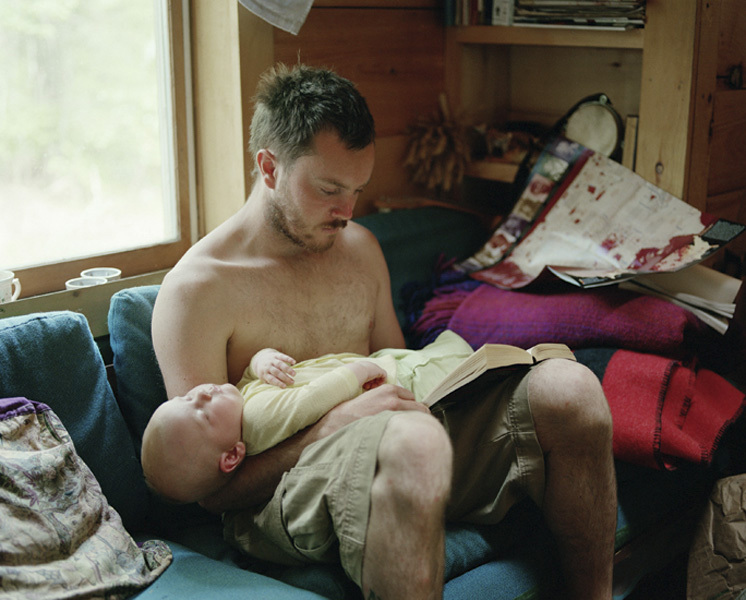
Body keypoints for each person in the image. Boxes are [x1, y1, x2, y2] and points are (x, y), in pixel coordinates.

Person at [151, 63, 617, 600]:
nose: (347, 211)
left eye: (358, 189)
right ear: (269, 167)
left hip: (398, 447)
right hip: (285, 492)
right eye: (329, 189)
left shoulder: (361, 249)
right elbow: (208, 491)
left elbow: (400, 369)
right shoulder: (197, 291)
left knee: (573, 390)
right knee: (415, 441)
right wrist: (329, 426)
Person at [141, 331, 474, 503]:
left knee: (444, 357)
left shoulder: (241, 402)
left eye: (187, 397)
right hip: (391, 379)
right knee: (452, 365)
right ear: (232, 455)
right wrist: (354, 372)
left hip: (386, 368)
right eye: (202, 414)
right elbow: (310, 399)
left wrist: (261, 361)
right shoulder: (257, 421)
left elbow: (249, 375)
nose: (200, 394)